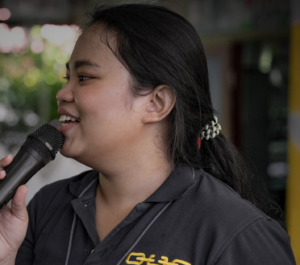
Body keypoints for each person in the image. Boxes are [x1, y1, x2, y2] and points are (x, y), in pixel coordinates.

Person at [0, 3, 296, 265]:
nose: (63, 93)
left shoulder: (238, 235)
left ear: (156, 103)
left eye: (85, 77)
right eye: (68, 78)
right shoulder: (45, 207)